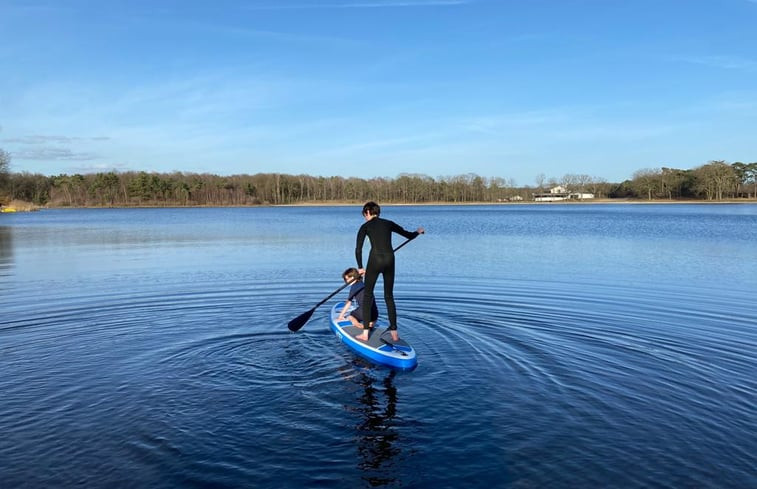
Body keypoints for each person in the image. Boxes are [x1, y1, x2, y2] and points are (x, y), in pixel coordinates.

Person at [354, 201, 424, 342]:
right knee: (389, 296)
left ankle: (365, 333)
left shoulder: (365, 226)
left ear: (367, 212)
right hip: (390, 260)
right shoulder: (388, 223)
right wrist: (417, 232)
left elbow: (358, 249)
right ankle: (394, 332)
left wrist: (360, 267)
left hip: (375, 260)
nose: (365, 217)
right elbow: (408, 235)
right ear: (378, 212)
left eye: (364, 215)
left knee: (367, 296)